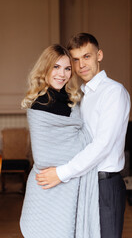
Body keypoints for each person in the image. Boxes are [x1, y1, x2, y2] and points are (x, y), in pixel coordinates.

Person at [36, 33, 131, 238]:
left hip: (104, 185)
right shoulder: (78, 94)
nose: (81, 65)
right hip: (80, 182)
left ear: (99, 55)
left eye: (87, 56)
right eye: (75, 60)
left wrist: (61, 173)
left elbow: (102, 145)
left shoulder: (113, 92)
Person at [20, 44, 101, 238]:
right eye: (55, 67)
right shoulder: (39, 103)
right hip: (46, 187)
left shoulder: (73, 101)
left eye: (67, 69)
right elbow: (44, 156)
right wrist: (86, 143)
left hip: (67, 185)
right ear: (45, 69)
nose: (61, 74)